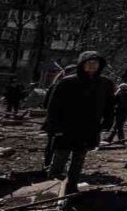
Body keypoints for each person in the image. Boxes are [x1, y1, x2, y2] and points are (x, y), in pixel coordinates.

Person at [44, 52, 114, 196]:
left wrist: (107, 122)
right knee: (60, 158)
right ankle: (50, 190)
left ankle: (71, 189)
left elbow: (109, 105)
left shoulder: (105, 83)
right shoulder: (67, 81)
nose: (92, 65)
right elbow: (53, 106)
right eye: (89, 62)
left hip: (89, 128)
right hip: (66, 128)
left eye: (95, 63)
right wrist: (54, 127)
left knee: (78, 160)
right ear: (82, 64)